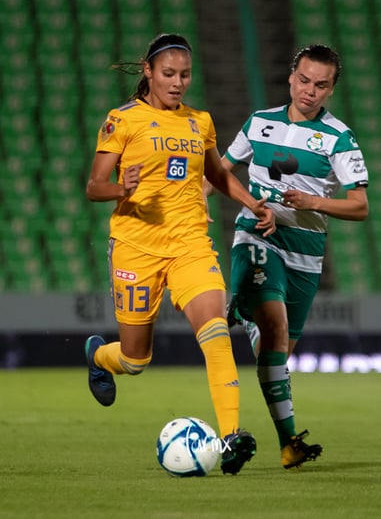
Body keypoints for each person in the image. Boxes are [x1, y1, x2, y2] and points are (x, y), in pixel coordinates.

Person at [84, 33, 275, 475]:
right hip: (136, 247)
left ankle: (230, 438)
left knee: (215, 332)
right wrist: (121, 188)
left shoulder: (199, 121)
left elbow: (218, 174)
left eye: (185, 75)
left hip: (190, 244)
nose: (178, 83)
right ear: (149, 72)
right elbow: (94, 187)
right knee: (134, 360)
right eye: (168, 74)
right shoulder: (122, 120)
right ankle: (97, 355)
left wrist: (251, 203)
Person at [206, 44, 369, 469]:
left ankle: (286, 445)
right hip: (257, 234)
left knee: (276, 352)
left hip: (306, 254)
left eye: (321, 85)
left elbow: (359, 206)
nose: (309, 91)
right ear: (291, 75)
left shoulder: (339, 137)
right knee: (275, 328)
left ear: (331, 89)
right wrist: (189, 203)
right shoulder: (260, 122)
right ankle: (288, 439)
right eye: (304, 80)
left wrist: (313, 204)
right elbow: (220, 171)